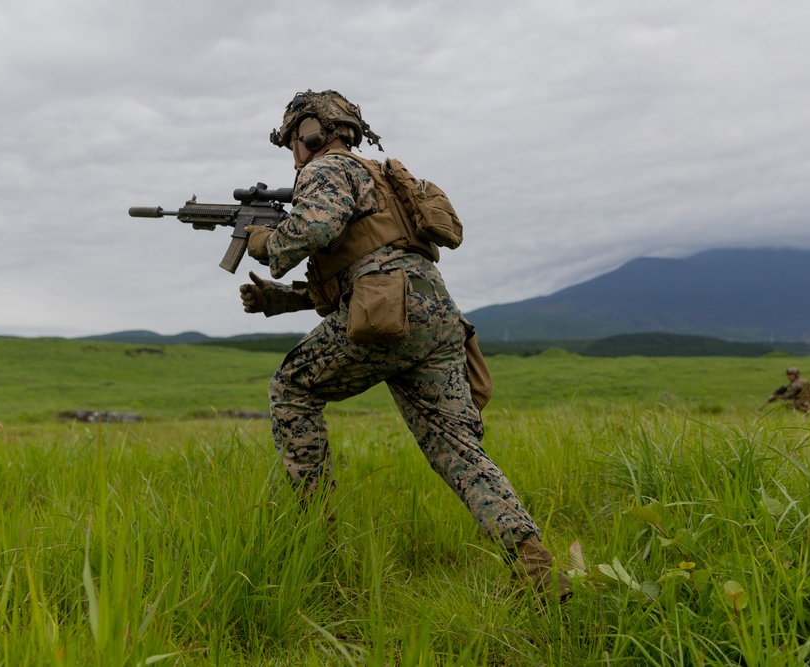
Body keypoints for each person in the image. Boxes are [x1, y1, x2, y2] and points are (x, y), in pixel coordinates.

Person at [238, 89, 570, 600]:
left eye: (292, 142)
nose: (293, 154)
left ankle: (313, 543)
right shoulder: (378, 177)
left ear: (309, 133)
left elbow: (317, 230)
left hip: (386, 311)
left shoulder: (325, 169)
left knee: (291, 390)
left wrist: (264, 242)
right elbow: (364, 267)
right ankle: (535, 565)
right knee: (458, 450)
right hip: (435, 317)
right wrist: (278, 300)